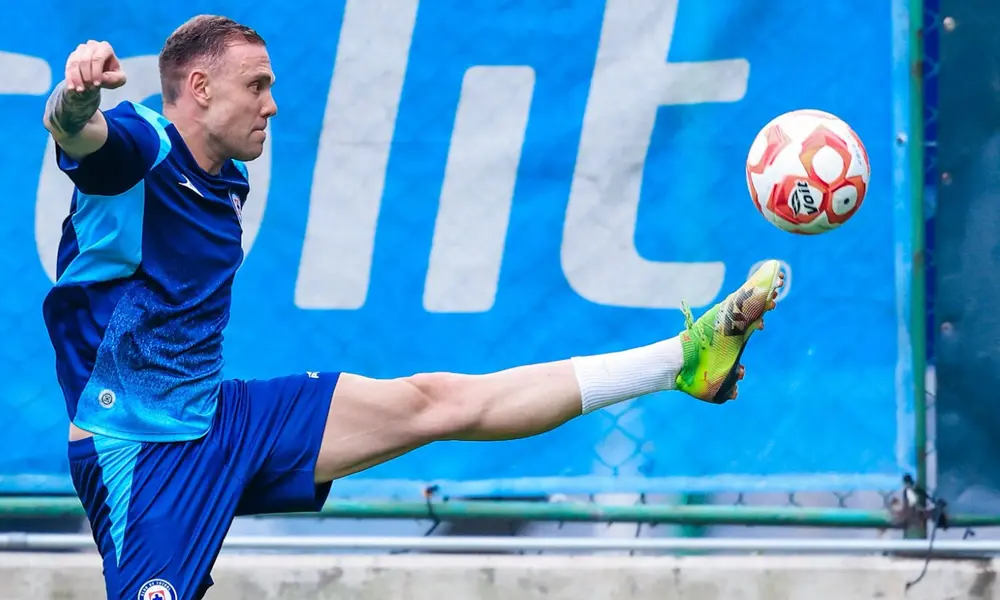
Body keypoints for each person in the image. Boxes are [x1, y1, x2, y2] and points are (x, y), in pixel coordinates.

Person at [41, 14, 784, 600]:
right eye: (257, 86)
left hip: (220, 420)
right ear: (199, 88)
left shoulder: (225, 173)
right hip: (138, 451)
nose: (273, 103)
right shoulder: (142, 147)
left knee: (436, 402)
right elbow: (85, 135)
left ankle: (683, 362)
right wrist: (74, 99)